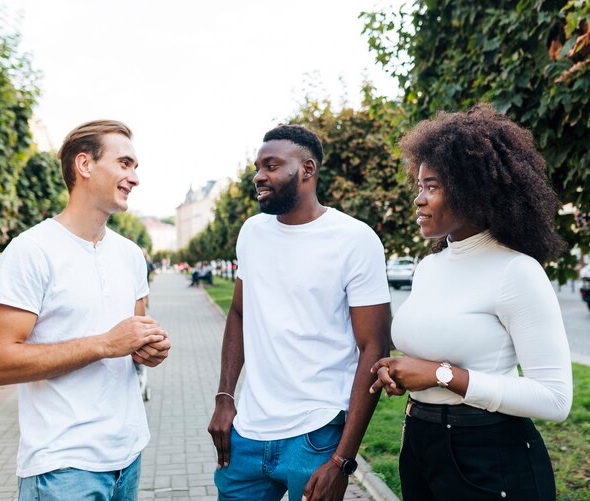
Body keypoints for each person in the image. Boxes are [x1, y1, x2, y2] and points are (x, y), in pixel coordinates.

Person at [370, 104, 573, 500]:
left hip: (489, 456)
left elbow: (555, 399)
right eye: (418, 186)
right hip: (420, 442)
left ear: (472, 190)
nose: (418, 199)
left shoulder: (516, 271)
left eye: (432, 186)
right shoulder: (429, 267)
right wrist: (400, 371)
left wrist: (440, 376)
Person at [0, 120, 171, 500]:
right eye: (125, 163)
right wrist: (104, 344)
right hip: (62, 467)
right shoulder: (30, 251)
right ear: (84, 165)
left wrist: (148, 350)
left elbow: (131, 338)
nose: (134, 177)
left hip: (128, 455)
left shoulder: (132, 255)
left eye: (135, 167)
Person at [208, 124, 392, 500]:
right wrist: (225, 397)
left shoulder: (355, 240)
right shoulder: (252, 233)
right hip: (248, 433)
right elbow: (239, 314)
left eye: (271, 165)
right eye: (257, 167)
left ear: (307, 170)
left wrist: (343, 460)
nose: (259, 176)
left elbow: (373, 348)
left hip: (316, 435)